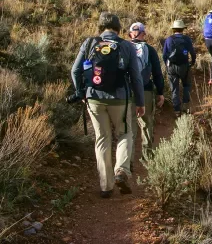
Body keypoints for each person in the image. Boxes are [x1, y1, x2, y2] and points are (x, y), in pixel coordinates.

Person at [71, 12, 145, 198]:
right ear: (118, 28)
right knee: (125, 133)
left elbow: (75, 70)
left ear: (100, 27)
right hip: (120, 98)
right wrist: (141, 102)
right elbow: (136, 77)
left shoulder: (89, 43)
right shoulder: (126, 46)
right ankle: (121, 170)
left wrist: (81, 92)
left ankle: (106, 186)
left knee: (102, 138)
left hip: (94, 98)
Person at [128, 22, 165, 169]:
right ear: (144, 34)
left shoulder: (124, 48)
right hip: (146, 91)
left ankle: (128, 162)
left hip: (128, 92)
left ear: (131, 34)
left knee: (129, 127)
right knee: (146, 123)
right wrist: (160, 92)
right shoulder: (150, 50)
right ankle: (147, 158)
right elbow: (157, 73)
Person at [163, 20, 196, 117]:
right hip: (184, 66)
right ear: (183, 29)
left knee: (174, 88)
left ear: (173, 29)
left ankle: (177, 110)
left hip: (172, 67)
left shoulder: (169, 39)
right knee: (186, 85)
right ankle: (185, 106)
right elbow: (193, 53)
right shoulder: (187, 39)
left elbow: (164, 55)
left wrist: (167, 64)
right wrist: (192, 62)